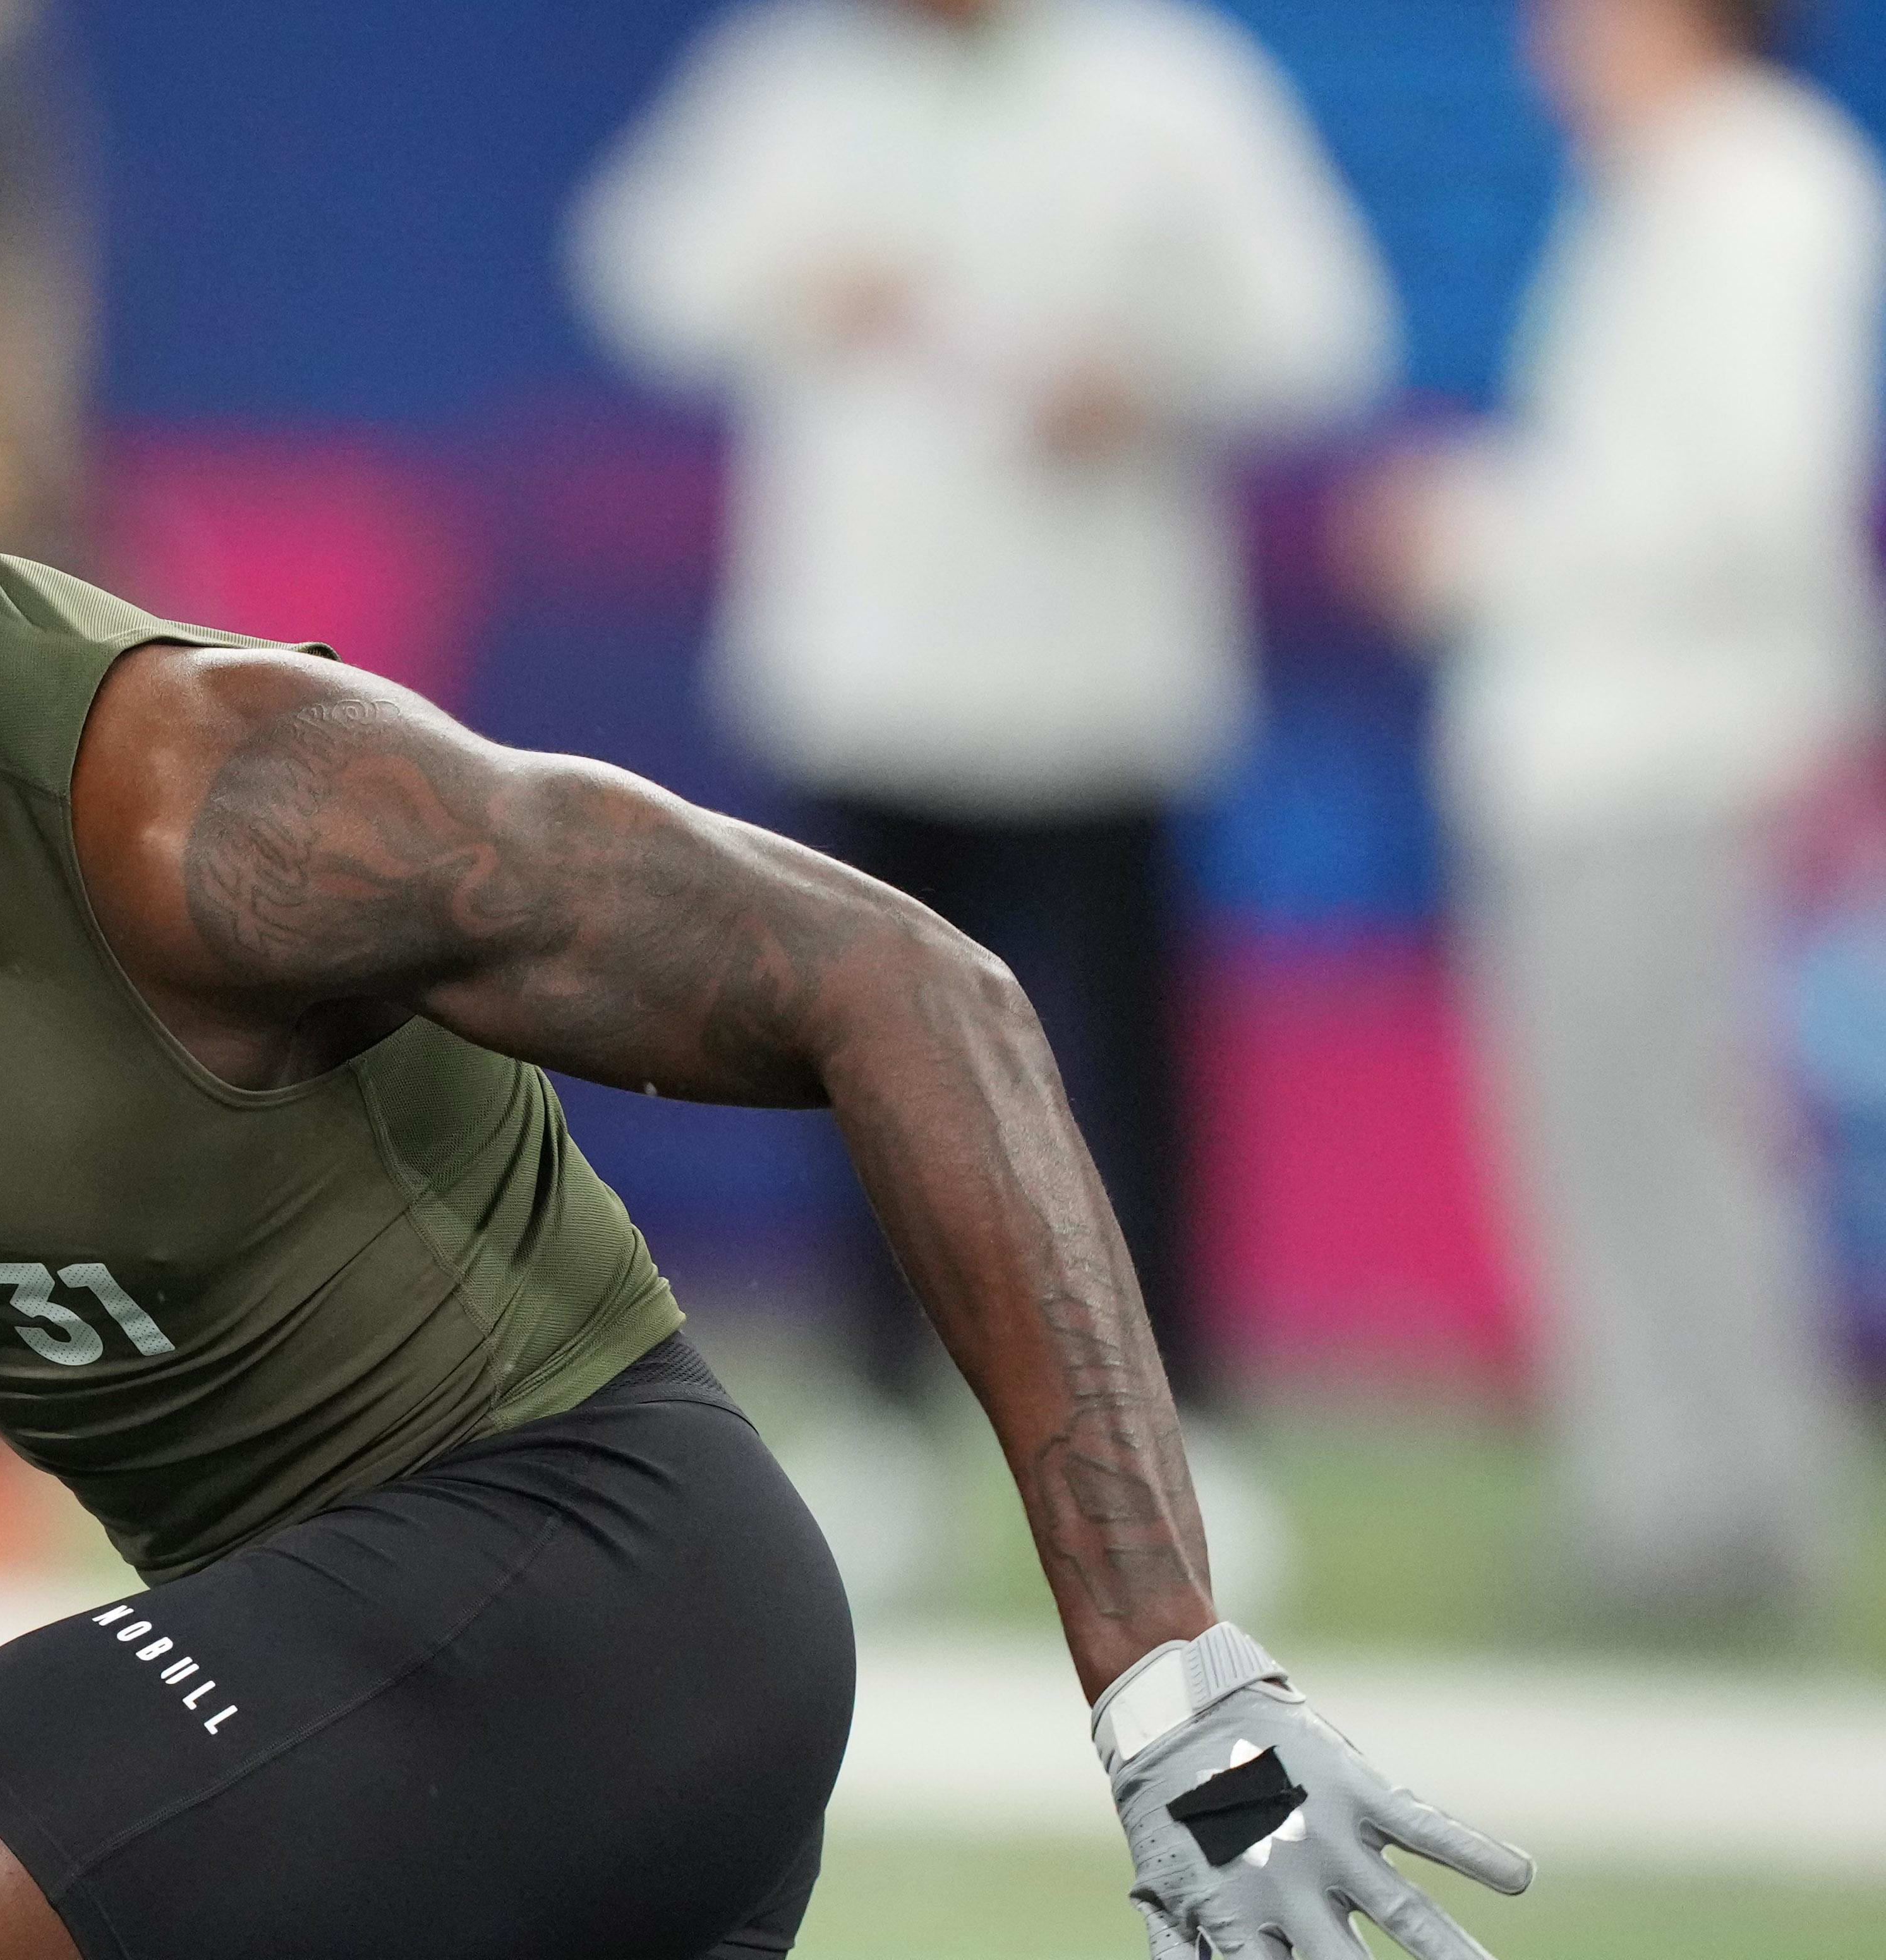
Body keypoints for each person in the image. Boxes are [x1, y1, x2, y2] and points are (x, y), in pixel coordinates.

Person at [0, 95, 1525, 1960]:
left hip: (588, 1594)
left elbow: (909, 982)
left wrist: (1166, 1672)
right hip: (324, 1689)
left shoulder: (209, 789)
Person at [568, 0, 1396, 1610]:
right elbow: (638, 267)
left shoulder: (1167, 85)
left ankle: (1186, 1438)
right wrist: (795, 286)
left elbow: (1325, 326)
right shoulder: (799, 78)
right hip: (869, 674)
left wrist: (1149, 377)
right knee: (851, 1070)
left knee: (1126, 1091)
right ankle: (884, 1433)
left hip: (1099, 682)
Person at [1357, 0, 1883, 1624]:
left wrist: (1481, 537)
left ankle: (1715, 1517)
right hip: (1596, 745)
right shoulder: (1660, 186)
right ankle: (1667, 1499)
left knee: (1673, 1142)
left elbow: (1747, 501)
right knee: (1615, 1140)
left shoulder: (1761, 191)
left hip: (1673, 746)